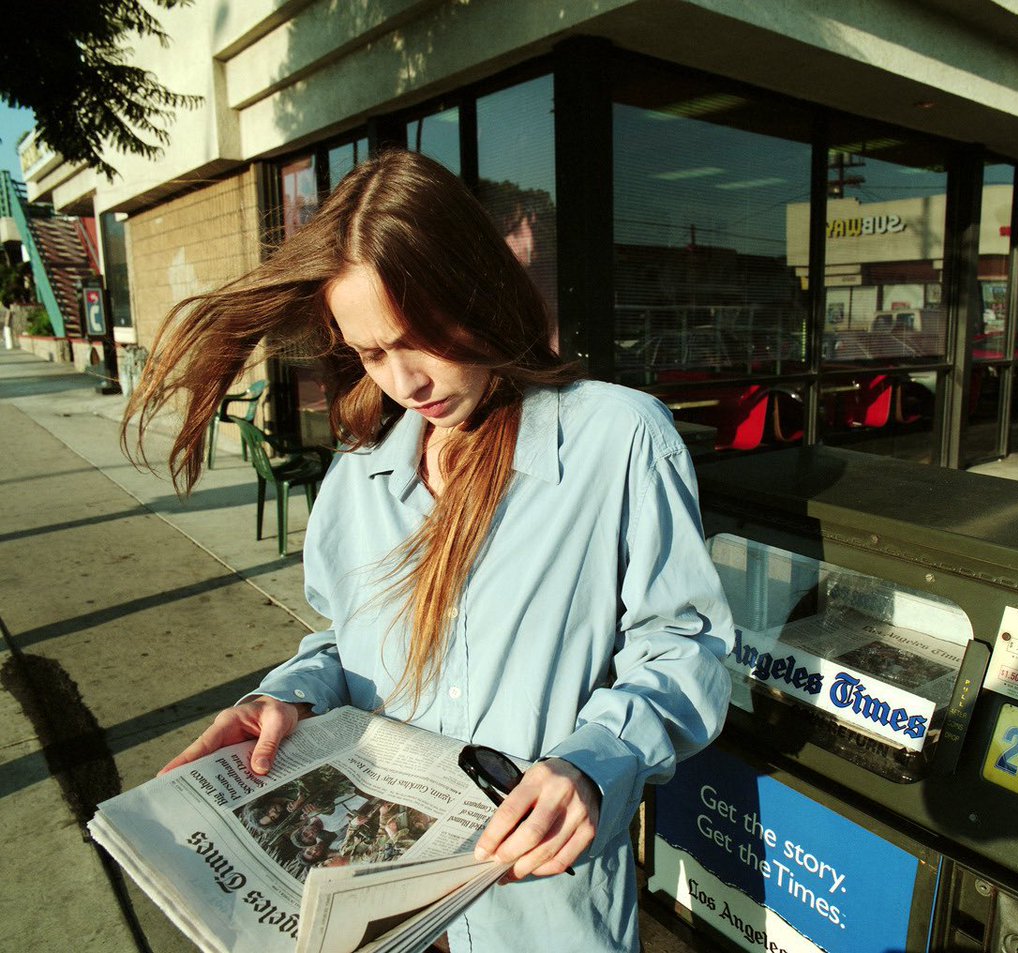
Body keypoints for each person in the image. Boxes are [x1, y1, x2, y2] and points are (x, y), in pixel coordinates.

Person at [123, 150, 734, 953]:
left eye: (422, 337)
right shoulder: (359, 478)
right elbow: (347, 641)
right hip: (378, 912)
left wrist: (597, 763)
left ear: (478, 287)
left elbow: (684, 646)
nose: (406, 381)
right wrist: (289, 699)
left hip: (539, 913)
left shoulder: (617, 439)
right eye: (372, 353)